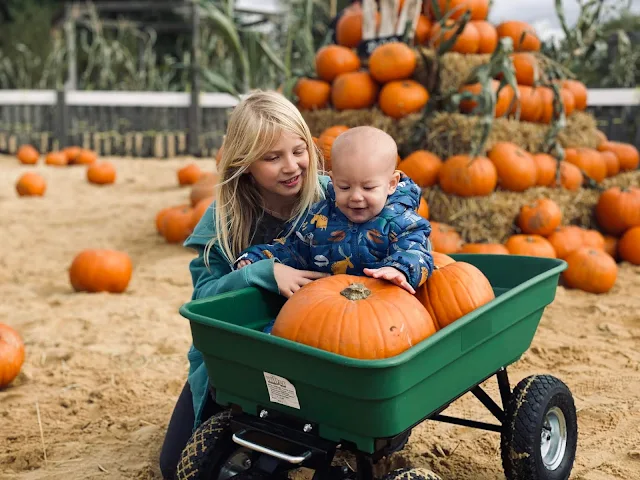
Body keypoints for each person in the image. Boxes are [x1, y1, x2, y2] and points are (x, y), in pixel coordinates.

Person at [158, 90, 331, 479]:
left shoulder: (330, 198)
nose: (291, 166)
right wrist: (261, 273)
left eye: (298, 150)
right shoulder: (225, 220)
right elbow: (203, 300)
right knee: (175, 467)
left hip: (318, 352)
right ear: (244, 163)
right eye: (272, 157)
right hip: (241, 360)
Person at [234, 126, 434, 296]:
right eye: (345, 187)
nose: (356, 197)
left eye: (368, 188)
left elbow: (417, 252)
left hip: (383, 304)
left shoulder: (403, 222)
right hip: (328, 307)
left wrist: (398, 269)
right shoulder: (319, 219)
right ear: (333, 180)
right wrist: (258, 259)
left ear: (391, 184)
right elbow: (292, 249)